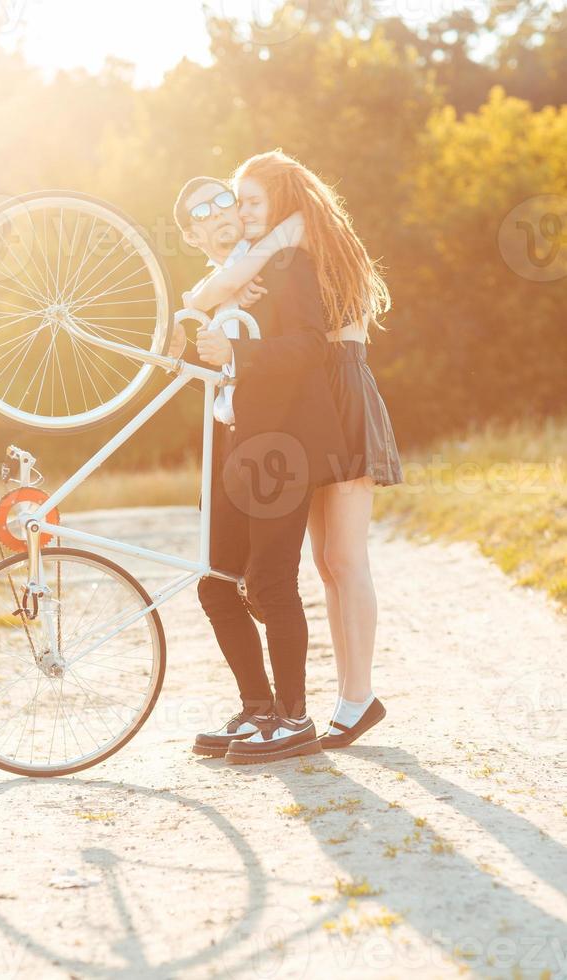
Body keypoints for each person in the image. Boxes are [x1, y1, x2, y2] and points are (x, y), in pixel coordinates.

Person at [183, 150, 404, 749]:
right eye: (241, 201)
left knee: (346, 558)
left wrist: (225, 293)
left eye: (251, 201)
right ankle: (341, 699)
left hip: (341, 391)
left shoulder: (296, 231)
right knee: (326, 561)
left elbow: (222, 285)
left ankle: (357, 697)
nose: (243, 211)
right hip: (311, 396)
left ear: (280, 199)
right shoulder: (283, 244)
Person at [170, 175, 351, 764]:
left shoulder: (284, 264)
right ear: (194, 236)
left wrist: (241, 355)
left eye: (228, 198)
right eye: (204, 211)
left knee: (270, 580)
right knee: (216, 582)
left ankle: (294, 718)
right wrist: (177, 336)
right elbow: (186, 365)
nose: (222, 212)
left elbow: (312, 344)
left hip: (281, 442)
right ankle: (258, 710)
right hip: (229, 443)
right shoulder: (210, 293)